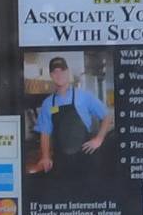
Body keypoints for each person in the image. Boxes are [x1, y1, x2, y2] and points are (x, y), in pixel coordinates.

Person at [28, 54, 114, 186]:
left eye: (62, 70)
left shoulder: (83, 95)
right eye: (55, 71)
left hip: (86, 159)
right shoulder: (47, 103)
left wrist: (99, 139)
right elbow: (45, 133)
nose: (59, 74)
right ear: (51, 75)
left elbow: (106, 116)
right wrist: (45, 156)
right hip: (61, 162)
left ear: (67, 72)